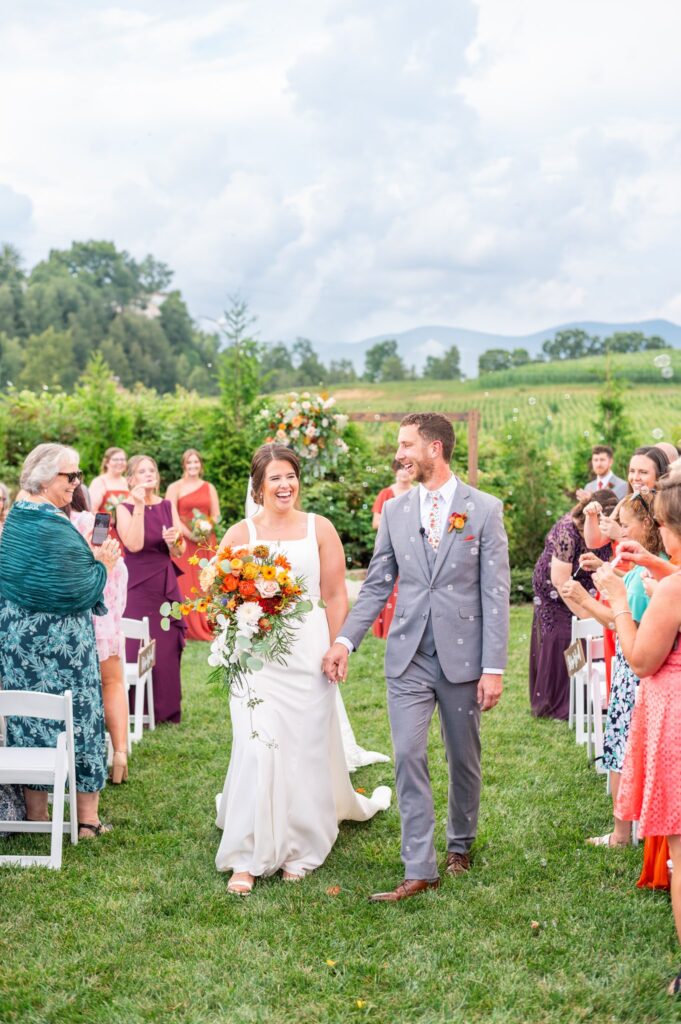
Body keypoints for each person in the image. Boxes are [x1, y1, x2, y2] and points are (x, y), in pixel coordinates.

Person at [323, 412, 509, 902]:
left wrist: (494, 668)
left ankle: (461, 843)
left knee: (463, 757)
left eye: (407, 444)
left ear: (434, 449)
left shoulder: (484, 510)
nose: (400, 453)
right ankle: (419, 867)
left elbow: (495, 594)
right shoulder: (396, 511)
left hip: (464, 658)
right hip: (407, 655)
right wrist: (345, 640)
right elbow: (378, 582)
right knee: (407, 755)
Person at [216, 443, 391, 896]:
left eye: (290, 475)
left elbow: (335, 594)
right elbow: (217, 597)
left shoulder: (320, 527)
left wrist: (339, 646)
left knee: (304, 747)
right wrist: (243, 615)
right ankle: (245, 852)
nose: (285, 485)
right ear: (258, 486)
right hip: (257, 660)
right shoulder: (240, 534)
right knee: (257, 748)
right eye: (275, 477)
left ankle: (300, 846)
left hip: (308, 653)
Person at [0, 443, 120, 838]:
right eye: (71, 476)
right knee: (80, 722)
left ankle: (37, 817)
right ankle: (87, 822)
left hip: (19, 643)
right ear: (45, 478)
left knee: (28, 719)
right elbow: (81, 590)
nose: (76, 483)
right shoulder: (51, 523)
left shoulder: (17, 517)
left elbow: (45, 572)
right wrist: (101, 563)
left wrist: (86, 559)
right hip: (64, 648)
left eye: (79, 475)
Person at [592, 477, 681, 996]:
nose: (660, 535)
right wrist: (653, 565)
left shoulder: (671, 591)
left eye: (665, 526)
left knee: (679, 844)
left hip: (674, 714)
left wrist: (618, 601)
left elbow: (641, 658)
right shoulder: (671, 577)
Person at [559, 492, 664, 845]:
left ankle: (622, 833)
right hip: (630, 665)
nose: (616, 529)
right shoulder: (646, 566)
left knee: (621, 749)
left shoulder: (648, 571)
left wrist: (585, 600)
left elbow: (624, 623)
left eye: (623, 523)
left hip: (633, 667)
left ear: (647, 526)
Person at [529, 489, 617, 721]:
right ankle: (556, 702)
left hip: (587, 582)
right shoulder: (567, 530)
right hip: (555, 586)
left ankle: (587, 698)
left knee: (586, 636)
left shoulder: (610, 529)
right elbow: (560, 580)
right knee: (564, 635)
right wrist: (586, 615)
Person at [116, 455, 187, 725]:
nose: (148, 474)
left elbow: (179, 549)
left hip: (164, 584)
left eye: (151, 470)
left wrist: (173, 543)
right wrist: (138, 505)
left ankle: (166, 710)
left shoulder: (168, 506)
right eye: (141, 471)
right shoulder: (122, 508)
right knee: (135, 646)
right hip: (135, 585)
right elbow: (133, 544)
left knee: (166, 646)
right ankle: (135, 710)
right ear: (131, 479)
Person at [69, 485, 130, 784]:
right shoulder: (96, 523)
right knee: (113, 683)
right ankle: (119, 754)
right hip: (103, 620)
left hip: (72, 620)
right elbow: (116, 571)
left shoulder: (58, 527)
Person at [166, 449, 220, 642]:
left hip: (205, 542)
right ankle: (186, 623)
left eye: (196, 462)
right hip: (183, 541)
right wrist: (190, 534)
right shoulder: (175, 487)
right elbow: (170, 514)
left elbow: (216, 515)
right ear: (184, 465)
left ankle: (207, 620)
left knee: (205, 582)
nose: (193, 466)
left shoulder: (209, 487)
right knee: (185, 583)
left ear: (201, 465)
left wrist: (205, 529)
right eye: (189, 463)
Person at [371, 460, 413, 639]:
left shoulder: (418, 493)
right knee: (388, 583)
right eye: (400, 469)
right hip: (390, 545)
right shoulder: (386, 493)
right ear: (395, 472)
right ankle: (387, 627)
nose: (403, 472)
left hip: (412, 547)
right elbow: (376, 522)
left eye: (407, 468)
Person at [89, 447, 130, 536]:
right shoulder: (99, 482)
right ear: (107, 462)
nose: (120, 462)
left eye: (122, 459)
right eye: (115, 459)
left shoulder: (128, 482)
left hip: (126, 532)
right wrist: (104, 531)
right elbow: (91, 510)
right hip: (104, 531)